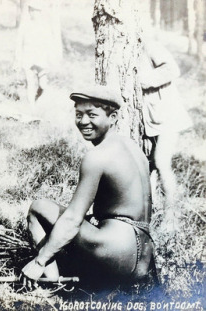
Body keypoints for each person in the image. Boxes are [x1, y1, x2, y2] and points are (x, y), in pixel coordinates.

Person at [20, 85, 155, 290]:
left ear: (113, 117)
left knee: (39, 207)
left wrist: (40, 261)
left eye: (91, 114)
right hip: (144, 258)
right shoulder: (134, 149)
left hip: (115, 254)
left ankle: (50, 285)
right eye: (78, 114)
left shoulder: (97, 156)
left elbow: (73, 219)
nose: (83, 121)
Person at [139, 41, 192, 210]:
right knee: (149, 166)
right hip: (149, 121)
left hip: (168, 117)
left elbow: (172, 69)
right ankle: (151, 213)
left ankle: (171, 216)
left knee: (161, 162)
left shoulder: (150, 46)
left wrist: (144, 81)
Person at [15, 0, 61, 107]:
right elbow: (18, 43)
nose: (34, 13)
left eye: (36, 11)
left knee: (43, 85)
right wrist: (17, 60)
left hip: (41, 58)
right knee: (30, 83)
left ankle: (36, 98)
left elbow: (49, 43)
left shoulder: (44, 27)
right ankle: (32, 107)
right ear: (29, 11)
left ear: (40, 12)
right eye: (32, 11)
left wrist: (52, 58)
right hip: (28, 57)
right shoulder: (25, 25)